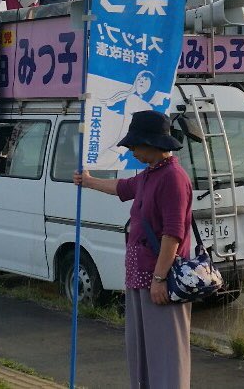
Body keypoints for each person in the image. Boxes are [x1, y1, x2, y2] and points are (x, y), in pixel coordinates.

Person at [73, 110, 193, 389]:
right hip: (142, 277)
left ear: (151, 143)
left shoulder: (173, 177)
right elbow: (123, 187)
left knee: (166, 353)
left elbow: (172, 234)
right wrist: (89, 181)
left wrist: (159, 279)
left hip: (160, 280)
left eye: (134, 145)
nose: (131, 150)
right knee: (143, 350)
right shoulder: (152, 173)